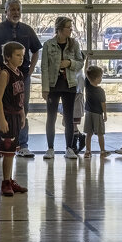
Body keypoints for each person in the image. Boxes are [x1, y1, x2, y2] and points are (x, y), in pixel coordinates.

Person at [0, 0, 41, 158]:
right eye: (12, 9)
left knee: (23, 107)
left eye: (18, 10)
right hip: (4, 75)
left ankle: (22, 144)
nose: (16, 12)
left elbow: (36, 50)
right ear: (6, 12)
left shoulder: (27, 30)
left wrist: (30, 71)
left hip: (22, 77)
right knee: (1, 106)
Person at [40, 16, 84, 160]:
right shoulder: (48, 45)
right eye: (68, 27)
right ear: (59, 29)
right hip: (53, 85)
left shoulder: (74, 44)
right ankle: (50, 148)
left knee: (69, 116)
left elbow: (80, 62)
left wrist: (69, 63)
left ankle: (69, 148)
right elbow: (44, 68)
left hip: (70, 84)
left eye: (71, 28)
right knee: (51, 117)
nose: (71, 30)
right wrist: (45, 88)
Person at [0, 41, 29, 197]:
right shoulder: (4, 73)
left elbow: (20, 97)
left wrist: (22, 114)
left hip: (16, 114)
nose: (21, 58)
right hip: (6, 115)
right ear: (8, 57)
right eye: (17, 55)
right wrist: (2, 118)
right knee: (7, 152)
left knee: (13, 151)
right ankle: (5, 182)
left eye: (22, 55)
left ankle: (10, 179)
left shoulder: (19, 73)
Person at [82, 65, 110, 158]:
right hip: (98, 114)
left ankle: (87, 151)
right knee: (100, 134)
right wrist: (105, 114)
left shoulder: (87, 85)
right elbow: (103, 104)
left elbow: (86, 72)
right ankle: (102, 151)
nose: (101, 78)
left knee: (88, 134)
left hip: (88, 113)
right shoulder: (100, 91)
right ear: (97, 78)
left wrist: (87, 59)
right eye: (101, 77)